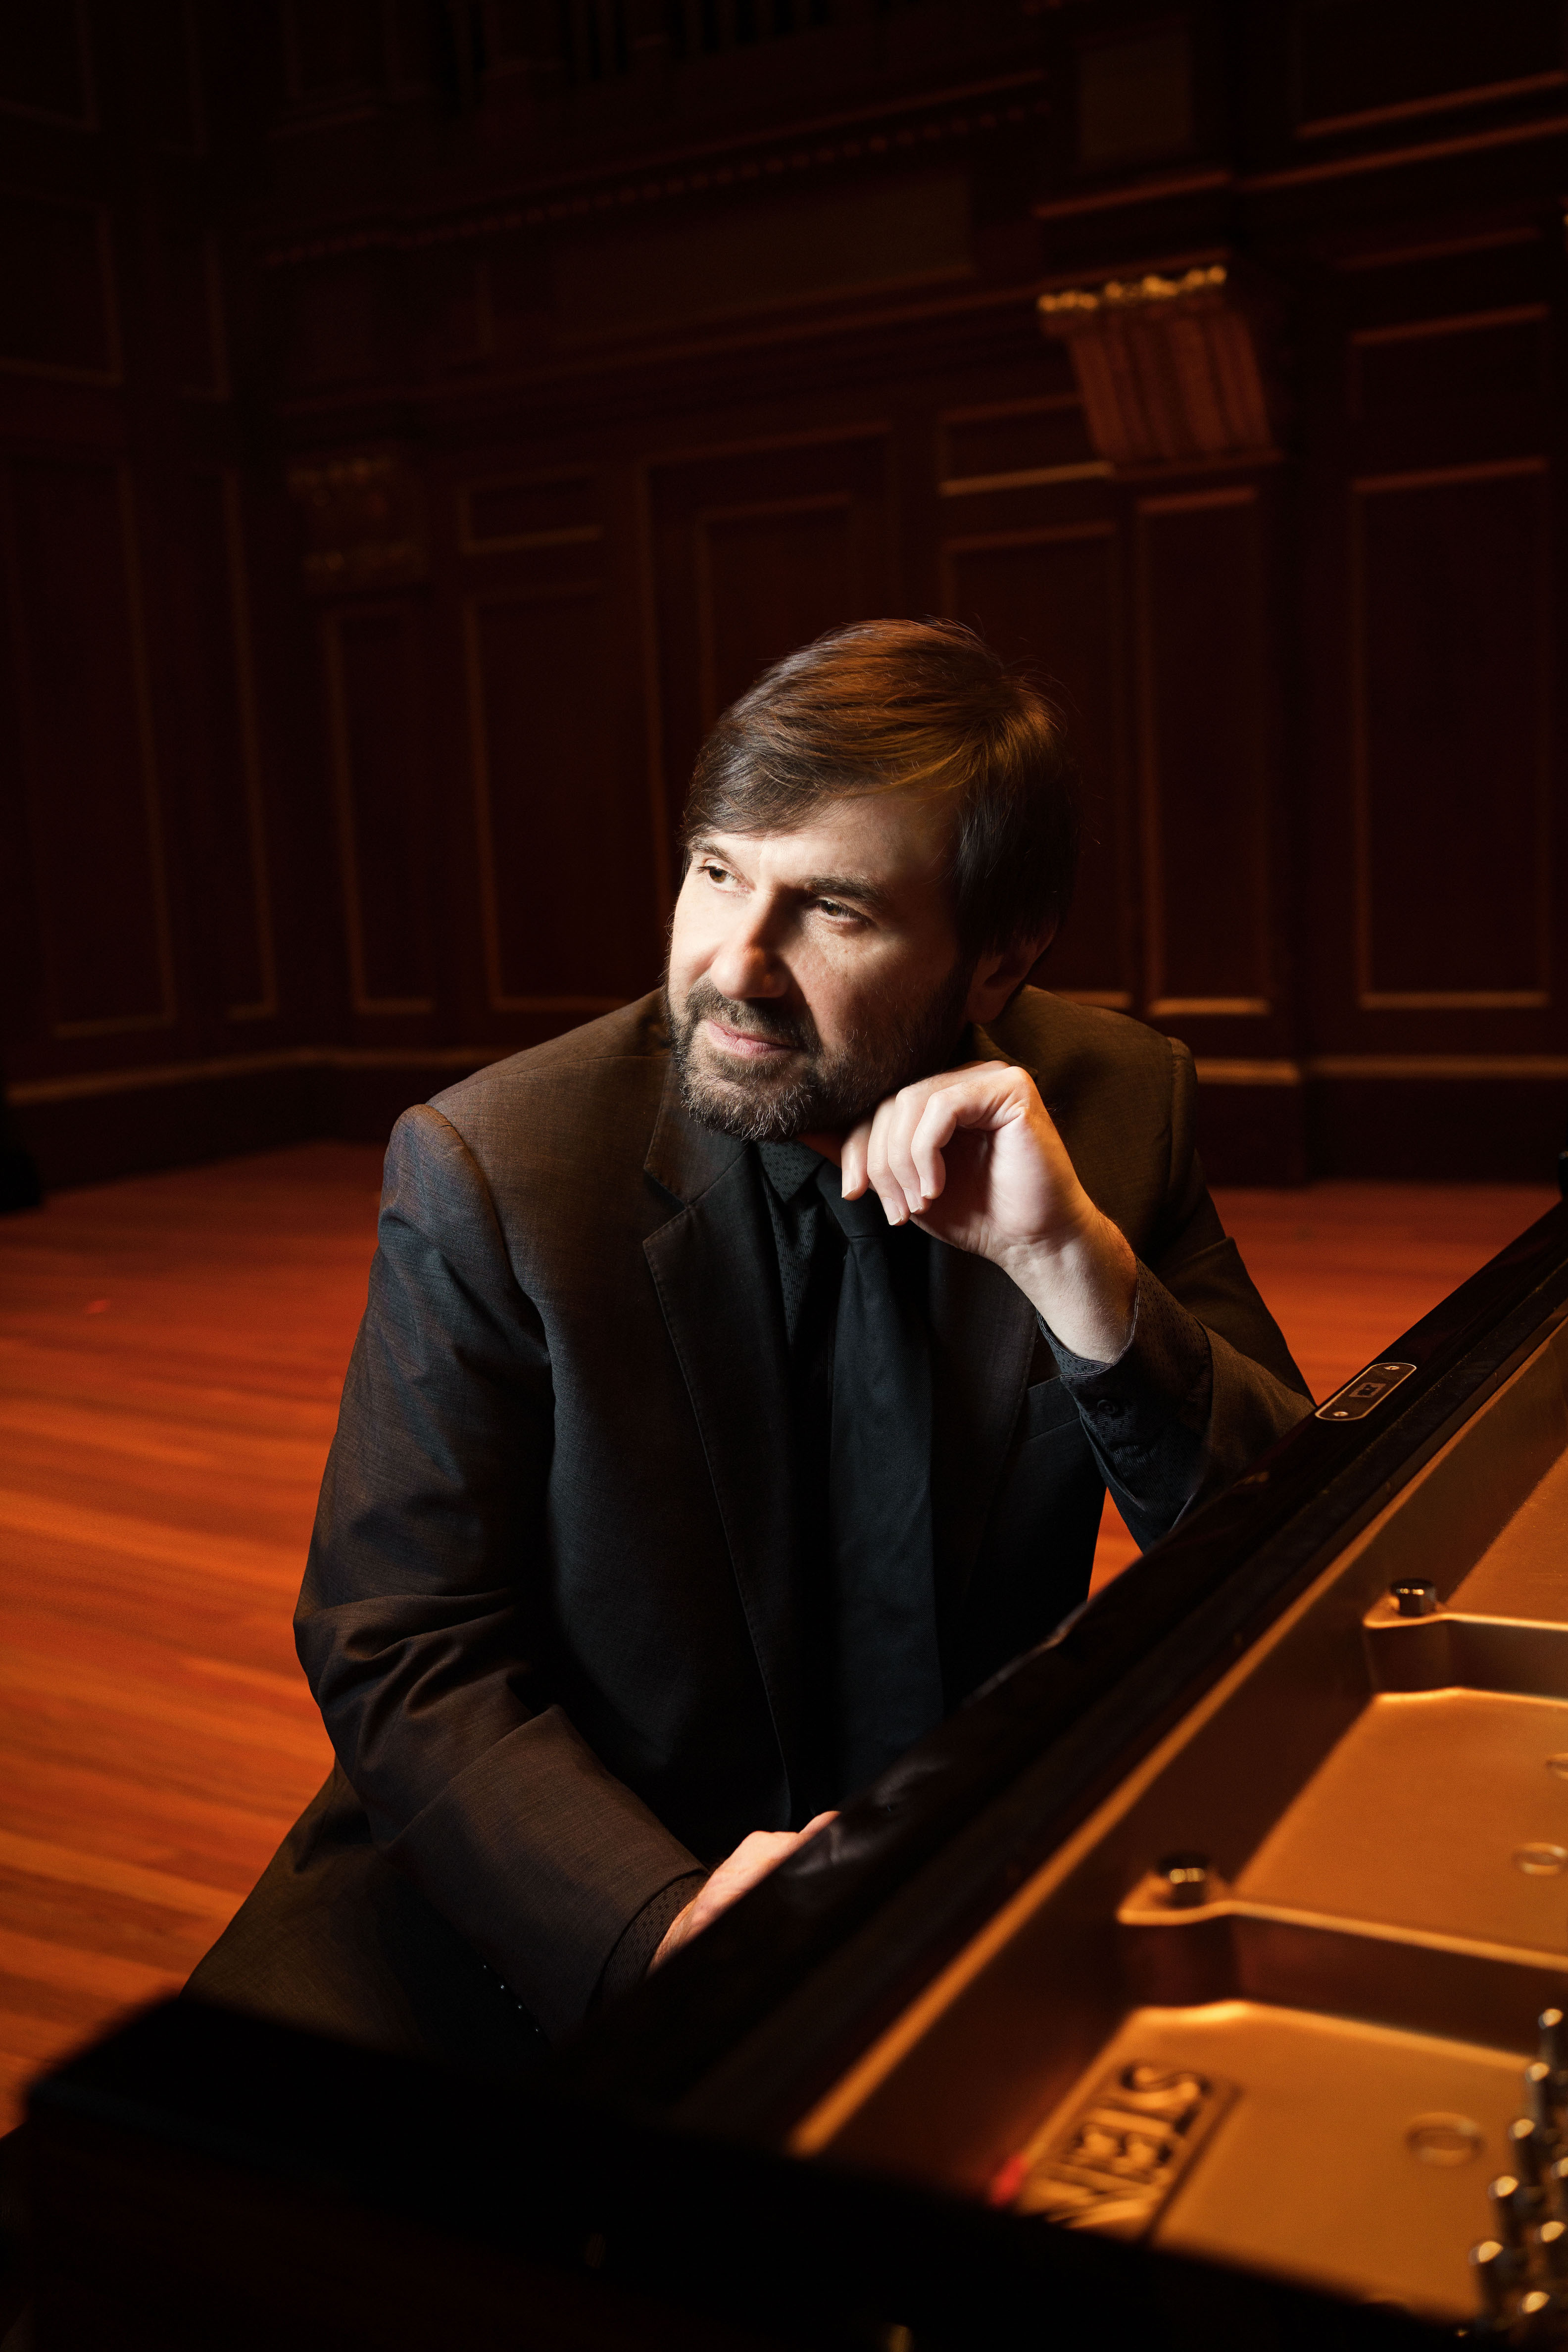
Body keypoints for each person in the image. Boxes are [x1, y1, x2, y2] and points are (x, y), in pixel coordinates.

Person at [189, 619, 1310, 2067]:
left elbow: (1306, 1550)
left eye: (835, 910)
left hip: (945, 1893)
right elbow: (400, 1643)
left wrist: (1076, 1274)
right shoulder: (496, 1166)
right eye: (718, 872)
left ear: (998, 962)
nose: (739, 964)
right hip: (538, 1899)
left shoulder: (1114, 1107)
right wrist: (656, 1922)